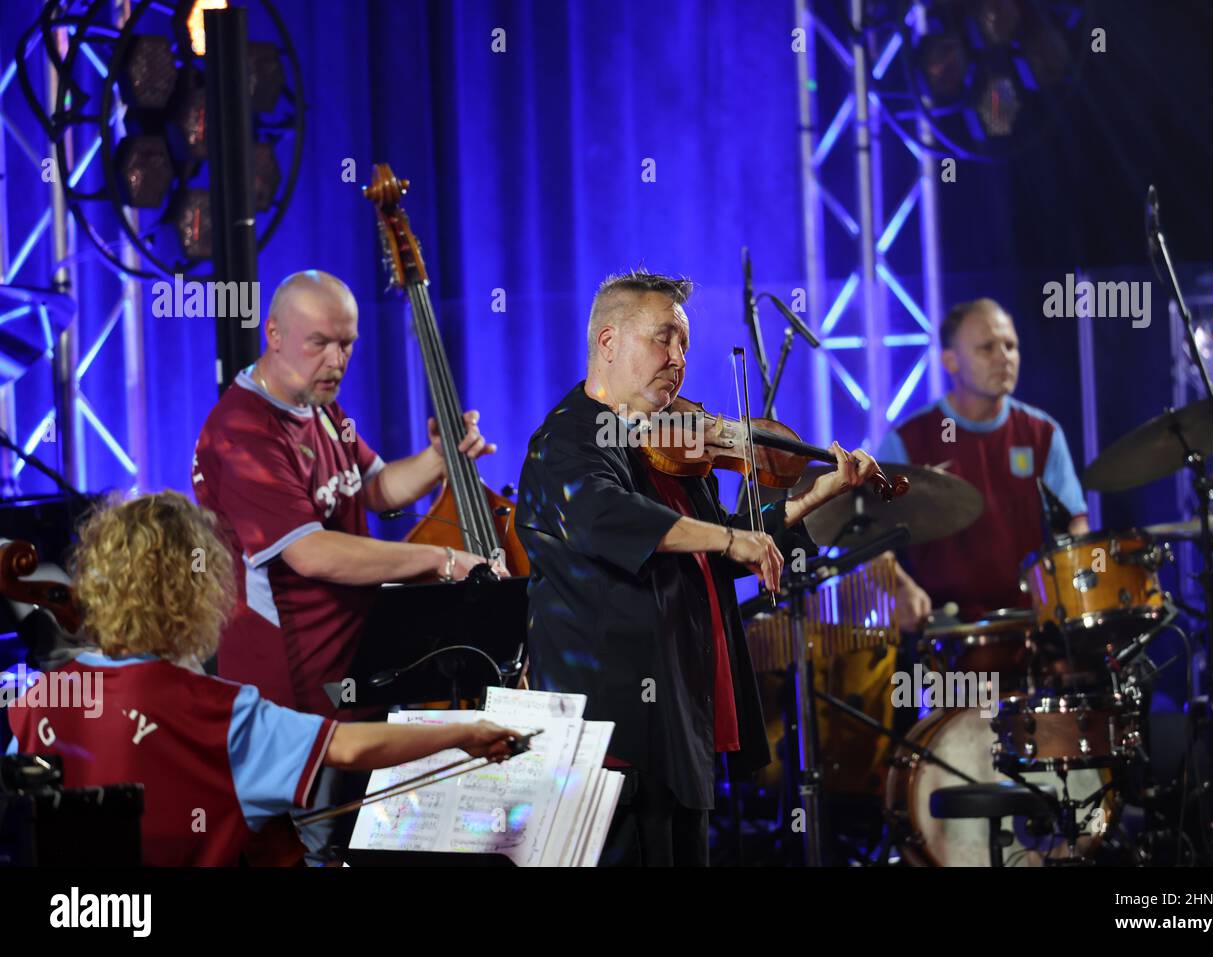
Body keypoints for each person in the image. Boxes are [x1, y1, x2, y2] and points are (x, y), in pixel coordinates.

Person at [516, 269, 881, 866]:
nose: (678, 358)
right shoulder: (565, 442)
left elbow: (729, 546)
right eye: (663, 339)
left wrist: (818, 494)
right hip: (614, 739)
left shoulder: (674, 448)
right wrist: (730, 540)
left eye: (684, 344)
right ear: (608, 343)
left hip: (683, 719)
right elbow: (609, 517)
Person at [4, 492, 519, 867]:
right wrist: (464, 733)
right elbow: (347, 747)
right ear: (196, 594)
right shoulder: (216, 710)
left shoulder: (39, 698)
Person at [192, 270, 501, 718]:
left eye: (347, 343)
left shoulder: (318, 404)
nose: (337, 361)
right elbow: (310, 552)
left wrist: (440, 457)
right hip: (291, 683)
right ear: (273, 334)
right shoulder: (243, 430)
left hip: (352, 666)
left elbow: (375, 488)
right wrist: (441, 560)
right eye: (319, 343)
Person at [875, 298, 1088, 626]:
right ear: (950, 361)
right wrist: (901, 589)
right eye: (987, 348)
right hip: (942, 635)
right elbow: (869, 542)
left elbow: (1075, 525)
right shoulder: (906, 441)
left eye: (1011, 346)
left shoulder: (1043, 433)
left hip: (1032, 627)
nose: (1004, 357)